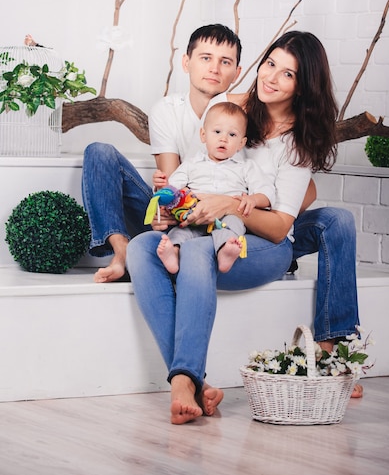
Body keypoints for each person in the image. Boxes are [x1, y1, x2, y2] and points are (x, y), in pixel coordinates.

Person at [126, 30, 361, 425]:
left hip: (262, 243)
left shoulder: (298, 143)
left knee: (334, 220)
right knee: (142, 247)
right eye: (270, 63)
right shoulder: (231, 110)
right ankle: (194, 383)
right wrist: (177, 202)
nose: (271, 77)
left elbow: (279, 226)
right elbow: (201, 165)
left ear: (303, 87)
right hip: (208, 227)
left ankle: (184, 378)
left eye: (288, 74)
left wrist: (231, 205)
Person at [81, 24, 244, 283]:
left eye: (225, 62)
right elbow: (170, 185)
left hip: (220, 224)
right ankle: (121, 252)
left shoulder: (243, 117)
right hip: (177, 214)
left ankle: (177, 253)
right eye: (205, 58)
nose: (214, 68)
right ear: (186, 62)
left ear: (236, 72)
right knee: (99, 152)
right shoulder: (167, 110)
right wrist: (163, 208)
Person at [152, 101, 274, 274]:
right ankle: (174, 253)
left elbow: (267, 193)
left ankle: (226, 251)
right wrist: (162, 186)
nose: (223, 138)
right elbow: (174, 187)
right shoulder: (191, 164)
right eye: (217, 132)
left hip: (227, 215)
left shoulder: (246, 167)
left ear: (241, 143)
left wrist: (253, 199)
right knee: (181, 231)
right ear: (203, 135)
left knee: (232, 225)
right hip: (196, 215)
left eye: (232, 134)